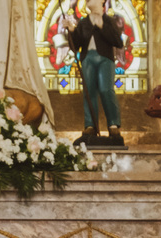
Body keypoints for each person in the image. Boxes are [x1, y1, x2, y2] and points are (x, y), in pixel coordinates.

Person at [66, 0, 125, 139]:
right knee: (89, 91)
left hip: (105, 58)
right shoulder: (84, 22)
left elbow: (118, 41)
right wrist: (72, 30)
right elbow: (76, 44)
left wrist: (102, 26)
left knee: (106, 89)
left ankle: (113, 124)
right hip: (88, 58)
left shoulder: (109, 21)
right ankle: (90, 125)